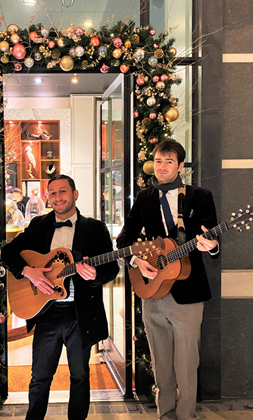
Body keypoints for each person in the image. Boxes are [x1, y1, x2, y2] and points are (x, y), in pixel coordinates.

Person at [1, 174, 119, 420]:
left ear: (75, 194)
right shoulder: (38, 226)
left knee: (80, 375)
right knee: (40, 376)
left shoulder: (95, 228)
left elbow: (112, 268)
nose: (57, 197)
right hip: (47, 313)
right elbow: (8, 252)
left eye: (63, 191)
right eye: (52, 193)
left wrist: (95, 274)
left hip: (81, 314)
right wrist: (27, 271)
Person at [116, 141, 219, 420]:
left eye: (169, 162)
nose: (162, 167)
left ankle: (186, 416)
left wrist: (211, 245)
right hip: (154, 292)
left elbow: (212, 238)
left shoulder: (200, 196)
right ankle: (165, 415)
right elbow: (125, 239)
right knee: (161, 363)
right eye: (158, 161)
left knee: (186, 364)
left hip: (189, 291)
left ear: (180, 166)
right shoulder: (144, 197)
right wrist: (138, 262)